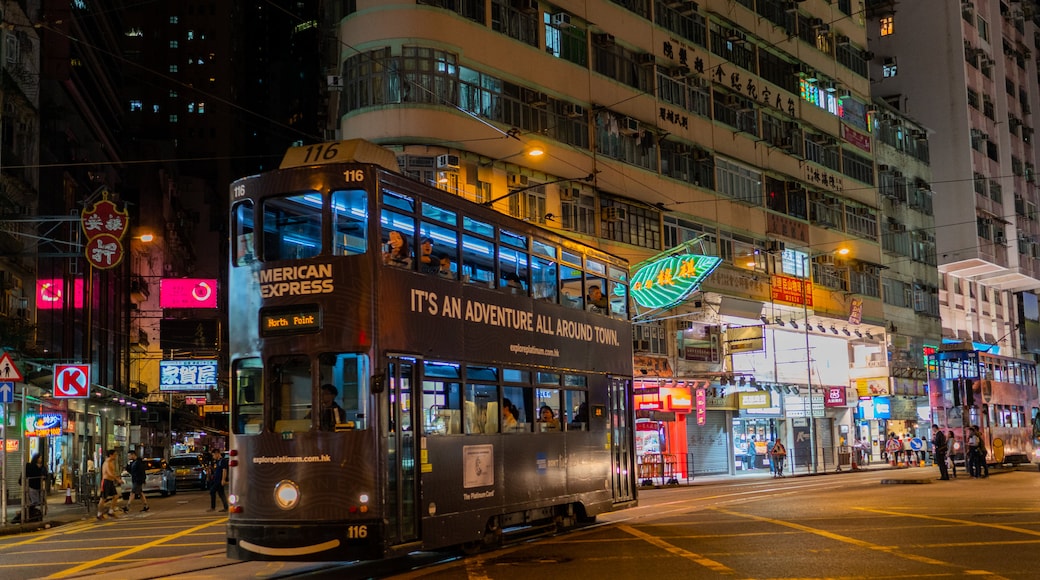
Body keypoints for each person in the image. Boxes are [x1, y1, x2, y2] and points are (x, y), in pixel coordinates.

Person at [97, 449, 122, 520]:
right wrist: (117, 479)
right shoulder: (107, 463)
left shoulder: (111, 462)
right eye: (115, 455)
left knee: (116, 496)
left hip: (110, 481)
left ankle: (110, 511)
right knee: (103, 498)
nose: (116, 456)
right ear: (111, 455)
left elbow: (112, 473)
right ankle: (99, 514)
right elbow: (109, 473)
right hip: (106, 482)